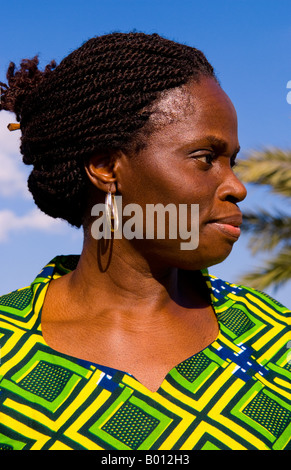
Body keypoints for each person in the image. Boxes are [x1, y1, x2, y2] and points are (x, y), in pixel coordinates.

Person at [0, 32, 290, 451]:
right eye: (205, 158)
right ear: (105, 168)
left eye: (233, 162)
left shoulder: (275, 341)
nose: (238, 187)